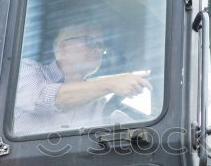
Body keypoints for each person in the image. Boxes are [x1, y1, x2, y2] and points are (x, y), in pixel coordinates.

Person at [16, 24, 151, 133]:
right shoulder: (26, 70)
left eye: (100, 45)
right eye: (90, 41)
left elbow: (137, 134)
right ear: (64, 47)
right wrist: (110, 83)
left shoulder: (99, 104)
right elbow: (44, 99)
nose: (98, 48)